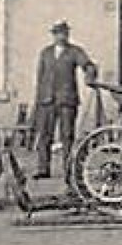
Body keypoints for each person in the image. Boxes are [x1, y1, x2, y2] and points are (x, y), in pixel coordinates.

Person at [32, 21, 97, 179]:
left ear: (67, 35)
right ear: (53, 35)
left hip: (67, 101)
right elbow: (39, 78)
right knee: (44, 136)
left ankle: (69, 170)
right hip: (46, 100)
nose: (60, 36)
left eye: (63, 33)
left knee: (67, 135)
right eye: (57, 33)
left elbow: (88, 65)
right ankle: (43, 169)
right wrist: (37, 101)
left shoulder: (75, 51)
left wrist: (90, 75)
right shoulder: (45, 53)